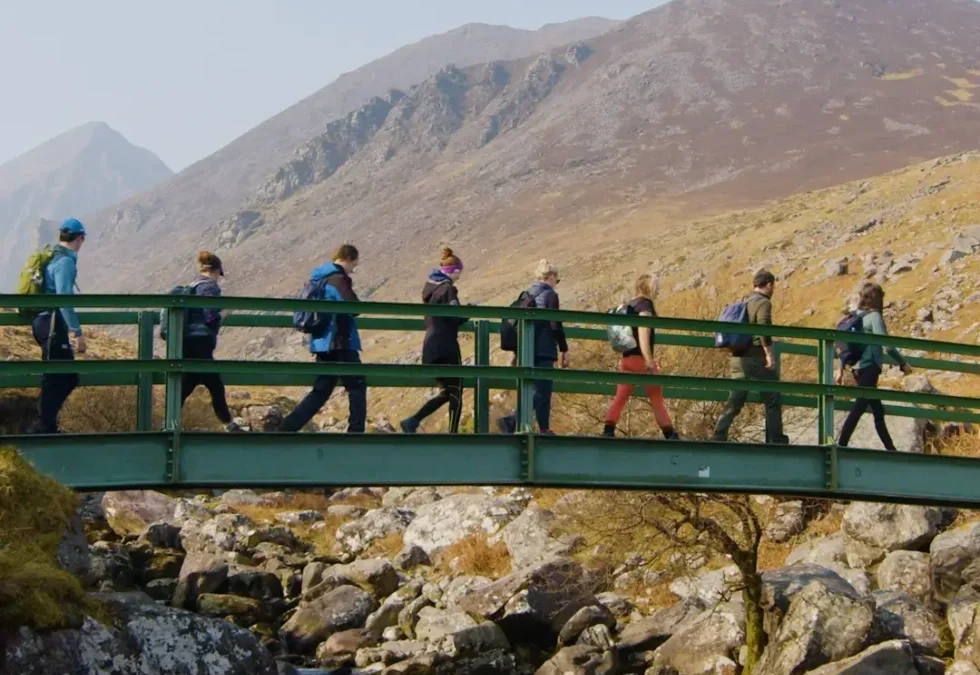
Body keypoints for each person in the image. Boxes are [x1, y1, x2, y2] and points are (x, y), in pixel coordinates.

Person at [278, 244, 365, 432]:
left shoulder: (320, 278)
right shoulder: (338, 279)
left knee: (321, 391)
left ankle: (287, 427)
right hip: (340, 341)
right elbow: (354, 307)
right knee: (357, 385)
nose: (353, 270)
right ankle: (356, 432)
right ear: (348, 259)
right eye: (354, 265)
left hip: (322, 342)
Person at [712, 269, 789, 444]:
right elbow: (764, 328)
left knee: (736, 398)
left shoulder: (745, 301)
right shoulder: (763, 303)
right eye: (773, 286)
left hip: (737, 358)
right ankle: (777, 440)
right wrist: (769, 354)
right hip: (754, 357)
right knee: (772, 395)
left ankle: (719, 434)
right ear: (769, 285)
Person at [835, 282, 912, 450]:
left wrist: (840, 368)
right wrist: (903, 363)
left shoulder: (856, 315)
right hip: (869, 367)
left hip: (856, 368)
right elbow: (888, 346)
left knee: (877, 410)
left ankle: (891, 449)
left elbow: (845, 342)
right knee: (859, 406)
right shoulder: (874, 316)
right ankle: (841, 446)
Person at [27, 218, 87, 434]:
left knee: (55, 375)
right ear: (79, 239)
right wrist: (77, 332)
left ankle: (48, 426)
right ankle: (41, 426)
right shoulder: (65, 262)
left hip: (42, 322)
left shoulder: (53, 255)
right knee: (67, 377)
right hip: (53, 323)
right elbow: (64, 298)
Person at [400, 247, 468, 434]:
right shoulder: (448, 289)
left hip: (431, 346)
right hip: (446, 346)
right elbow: (455, 316)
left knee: (448, 391)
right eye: (459, 272)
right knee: (456, 389)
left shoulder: (430, 290)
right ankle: (453, 434)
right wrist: (468, 313)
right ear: (454, 271)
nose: (460, 276)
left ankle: (413, 421)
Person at [497, 260, 569, 435]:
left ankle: (544, 428)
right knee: (543, 391)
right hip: (544, 350)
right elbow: (555, 325)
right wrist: (564, 349)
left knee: (539, 390)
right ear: (551, 277)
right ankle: (512, 419)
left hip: (526, 350)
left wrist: (517, 352)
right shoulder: (550, 295)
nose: (556, 284)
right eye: (557, 280)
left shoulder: (526, 295)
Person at [603, 274, 678, 439]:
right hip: (641, 360)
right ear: (650, 288)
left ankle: (608, 430)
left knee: (620, 397)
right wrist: (649, 360)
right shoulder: (645, 305)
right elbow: (644, 331)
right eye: (657, 286)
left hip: (627, 359)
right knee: (656, 398)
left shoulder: (630, 305)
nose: (658, 290)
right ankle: (670, 434)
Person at [177, 252, 241, 432]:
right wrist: (225, 312)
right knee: (215, 385)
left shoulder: (193, 285)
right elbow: (210, 317)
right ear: (217, 271)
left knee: (188, 384)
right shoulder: (209, 288)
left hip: (188, 342)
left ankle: (167, 421)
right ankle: (229, 424)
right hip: (201, 343)